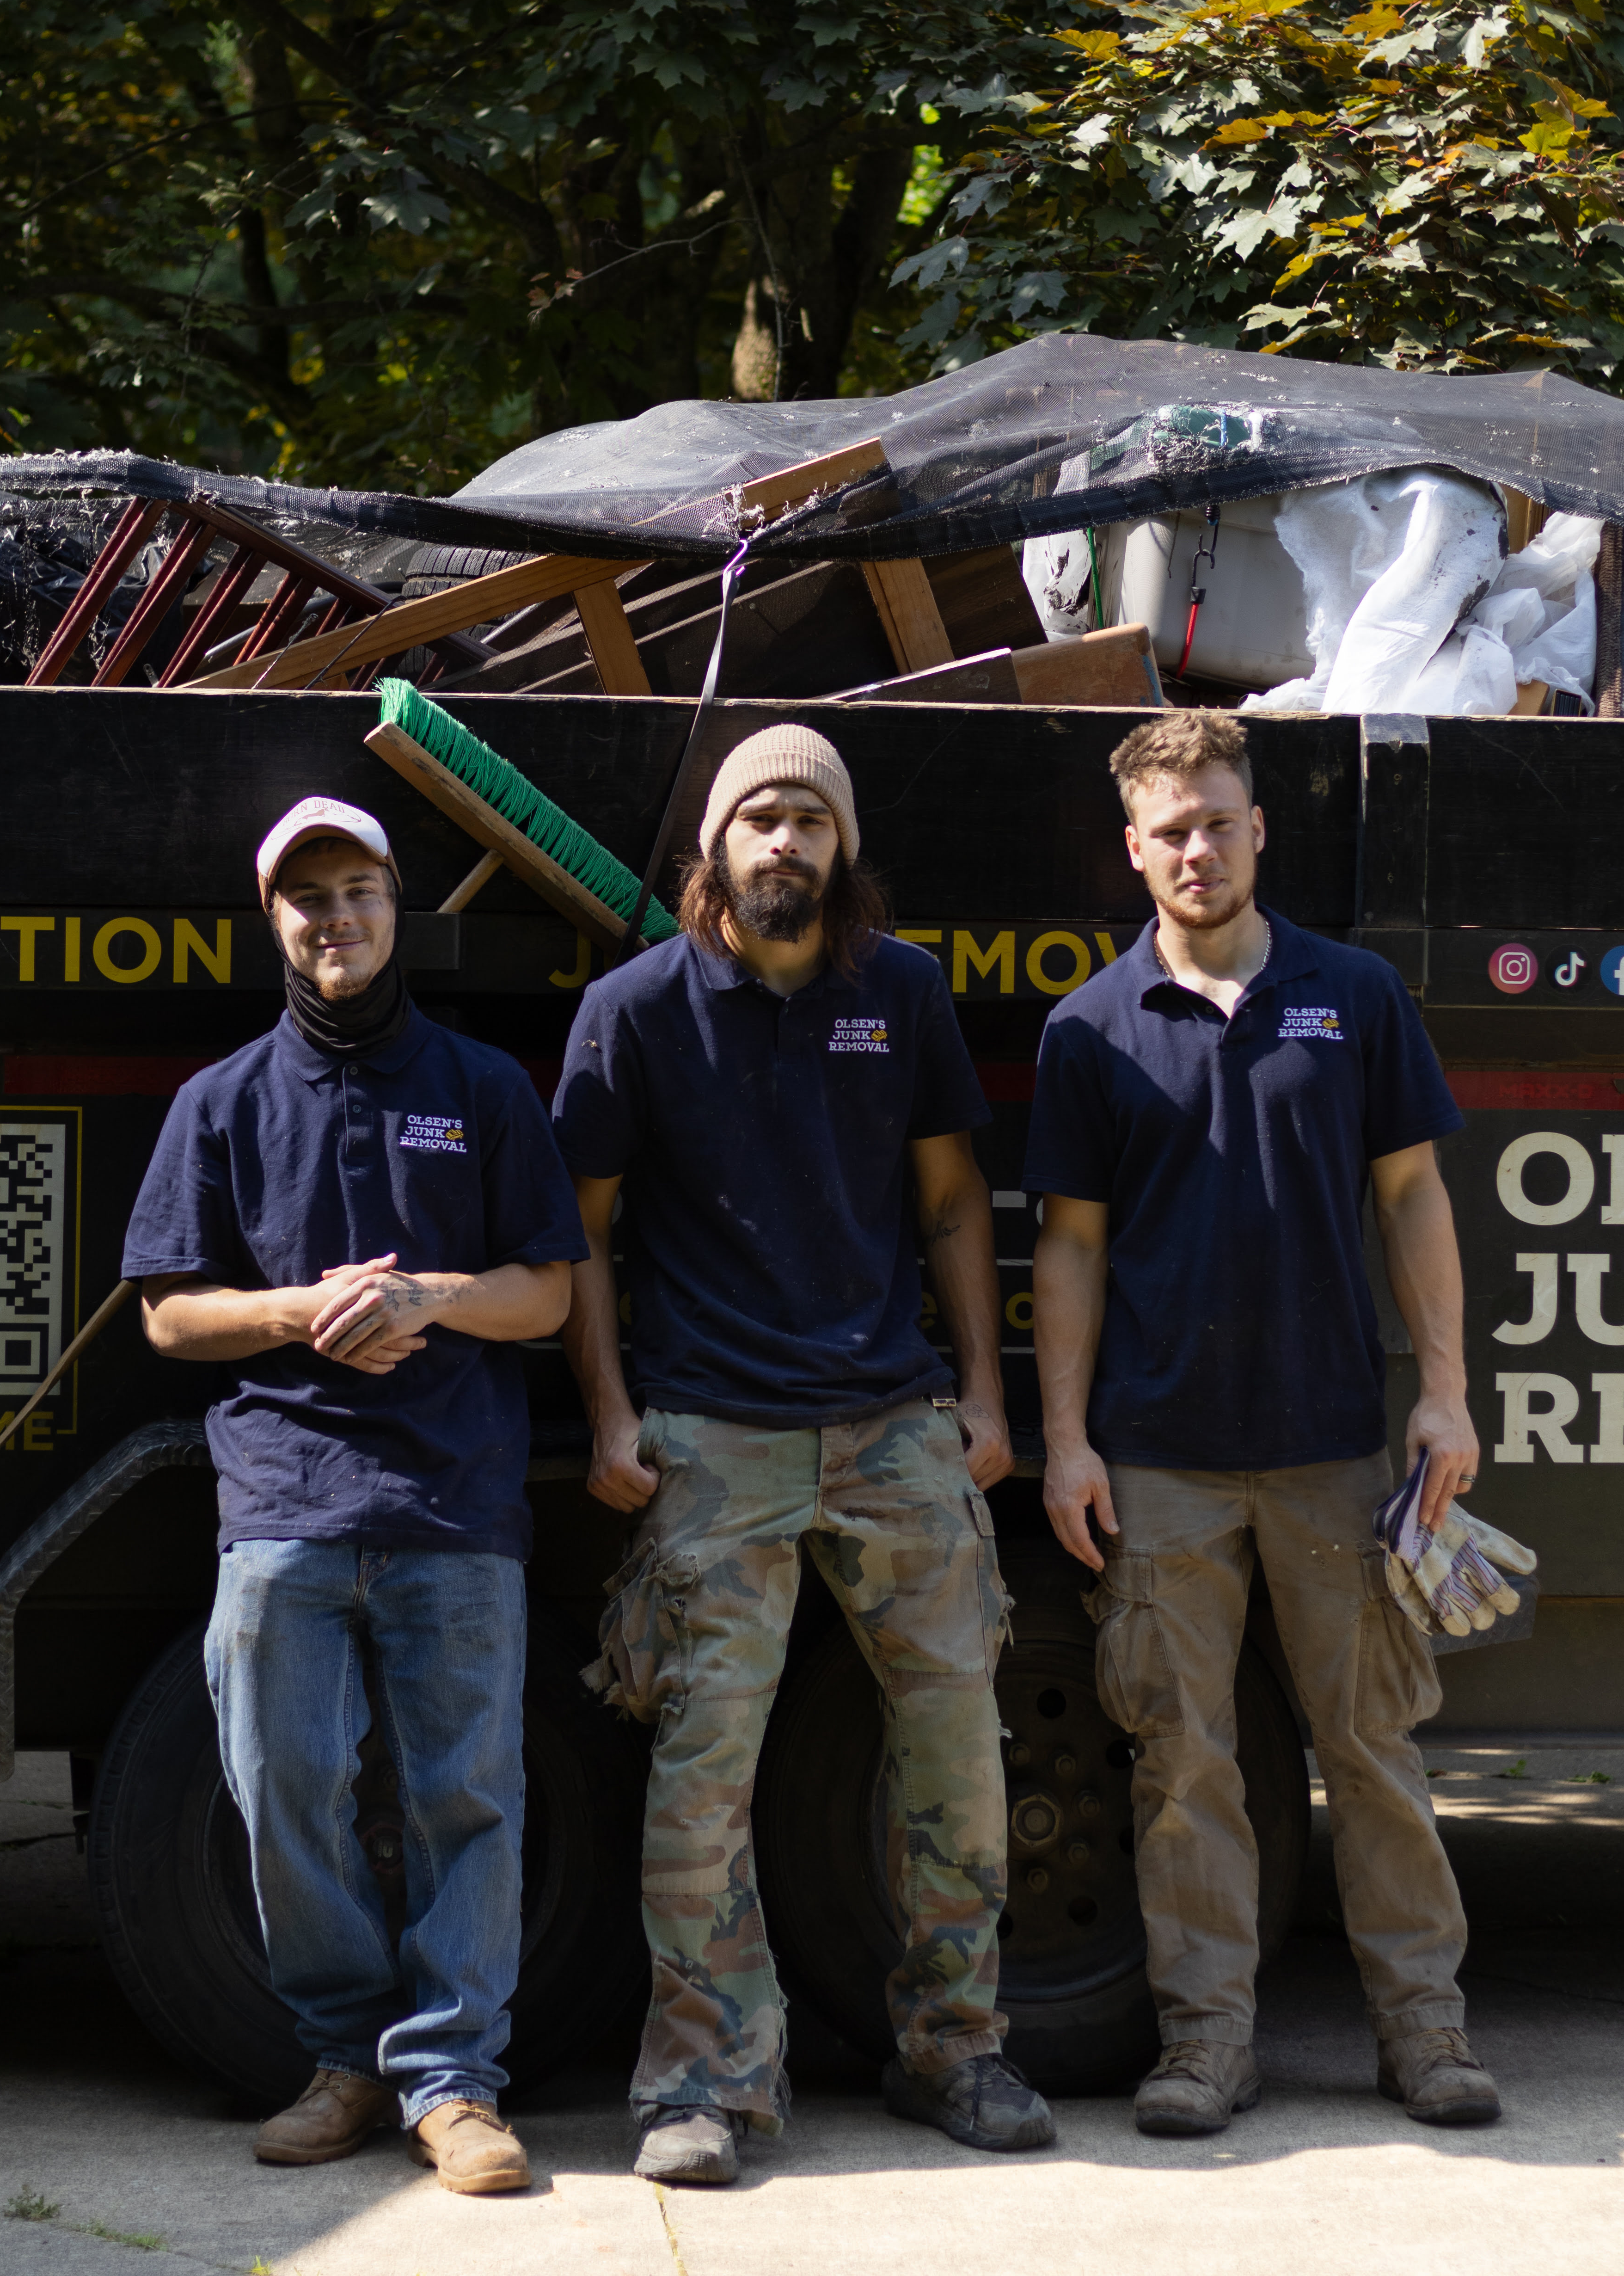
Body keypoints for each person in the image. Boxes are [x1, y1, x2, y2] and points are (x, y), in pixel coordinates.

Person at [552, 724, 1054, 2186]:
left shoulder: (900, 995)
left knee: (958, 1748)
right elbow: (578, 1229)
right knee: (705, 1768)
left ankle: (957, 2048)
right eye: (760, 818)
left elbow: (957, 1203)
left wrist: (985, 1400)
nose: (785, 844)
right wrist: (605, 1413)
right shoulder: (634, 1009)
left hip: (894, 1425)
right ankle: (699, 2085)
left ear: (845, 850)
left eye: (811, 822)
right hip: (713, 1431)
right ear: (715, 846)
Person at [1027, 711, 1500, 2136]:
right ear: (1134, 849)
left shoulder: (1349, 994)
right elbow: (1069, 1248)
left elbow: (1413, 1195)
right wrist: (1066, 1439)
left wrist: (1444, 1389)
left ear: (1258, 829)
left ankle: (1427, 2036)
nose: (1197, 849)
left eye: (1218, 821)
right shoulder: (1090, 1030)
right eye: (1170, 829)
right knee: (1184, 1763)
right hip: (1160, 1457)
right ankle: (1205, 2047)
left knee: (1375, 1754)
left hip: (1335, 1450)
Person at [122, 796, 587, 2196]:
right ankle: (339, 2060)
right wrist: (298, 1313)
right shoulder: (221, 1102)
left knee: (469, 1797)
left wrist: (430, 1298)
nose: (337, 918)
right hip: (285, 1500)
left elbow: (551, 1291)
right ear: (275, 922)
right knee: (280, 1788)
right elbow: (165, 1317)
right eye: (307, 897)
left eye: (361, 891)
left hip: (455, 1501)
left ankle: (454, 2086)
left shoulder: (485, 1087)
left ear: (401, 910)